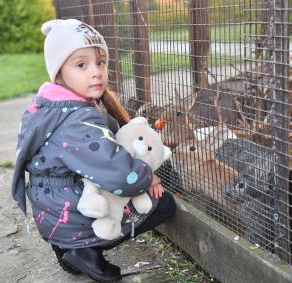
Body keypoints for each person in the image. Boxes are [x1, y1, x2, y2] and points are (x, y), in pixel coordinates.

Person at [11, 19, 176, 282]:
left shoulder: (49, 106)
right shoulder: (77, 121)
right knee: (164, 205)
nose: (96, 72)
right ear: (59, 72)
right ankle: (87, 250)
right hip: (68, 211)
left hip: (52, 209)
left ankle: (67, 246)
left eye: (101, 62)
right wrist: (147, 177)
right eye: (81, 65)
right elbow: (117, 173)